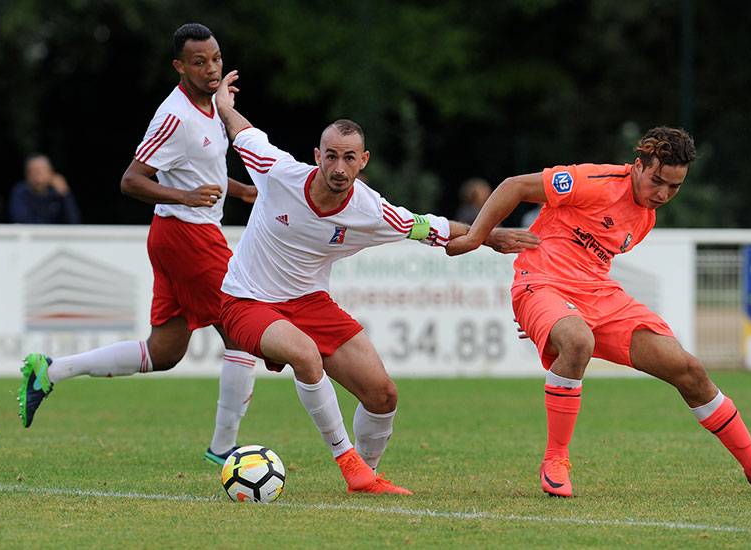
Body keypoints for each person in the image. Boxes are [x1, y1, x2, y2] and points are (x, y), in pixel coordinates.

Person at [213, 70, 539, 495]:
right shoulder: (278, 172)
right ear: (316, 155)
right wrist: (223, 104)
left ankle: (365, 476)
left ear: (363, 161)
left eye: (350, 158)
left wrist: (488, 235)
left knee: (383, 396)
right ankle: (349, 464)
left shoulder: (370, 210)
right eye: (331, 156)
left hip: (308, 302)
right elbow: (243, 132)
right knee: (306, 355)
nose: (339, 167)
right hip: (246, 299)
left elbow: (431, 228)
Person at [446, 127, 751, 497]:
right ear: (638, 165)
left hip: (596, 295)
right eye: (657, 181)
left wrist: (552, 320)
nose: (663, 194)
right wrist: (478, 237)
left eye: (674, 187)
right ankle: (555, 459)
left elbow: (589, 264)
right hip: (542, 283)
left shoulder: (645, 218)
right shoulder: (593, 180)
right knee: (577, 339)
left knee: (688, 369)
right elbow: (514, 185)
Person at [18, 23, 260, 466]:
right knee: (242, 333)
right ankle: (223, 448)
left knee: (164, 352)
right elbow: (132, 180)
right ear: (179, 66)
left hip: (179, 234)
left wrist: (240, 191)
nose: (211, 69)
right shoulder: (175, 116)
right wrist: (185, 197)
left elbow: (194, 169)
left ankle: (50, 371)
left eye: (216, 59)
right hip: (188, 235)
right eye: (199, 62)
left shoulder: (210, 107)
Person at [8, 154, 82, 224]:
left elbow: (74, 221)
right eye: (34, 170)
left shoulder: (58, 192)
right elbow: (20, 219)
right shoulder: (21, 191)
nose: (38, 174)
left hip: (57, 236)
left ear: (51, 172)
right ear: (27, 174)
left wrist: (65, 194)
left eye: (42, 170)